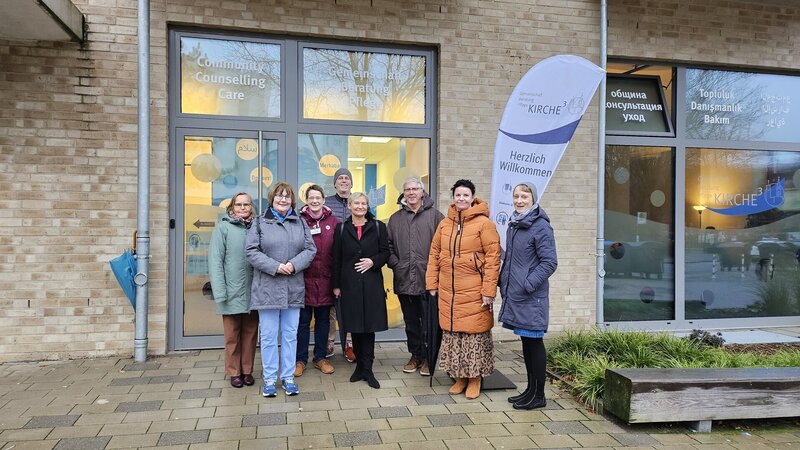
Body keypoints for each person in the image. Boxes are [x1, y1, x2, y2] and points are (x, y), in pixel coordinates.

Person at [426, 179, 501, 400]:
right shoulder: (444, 224)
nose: (461, 199)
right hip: (449, 291)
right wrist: (431, 283)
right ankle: (459, 377)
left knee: (473, 336)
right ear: (453, 197)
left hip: (475, 291)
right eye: (458, 195)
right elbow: (434, 253)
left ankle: (475, 379)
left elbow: (493, 259)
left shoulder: (484, 224)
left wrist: (489, 291)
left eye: (465, 195)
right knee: (454, 335)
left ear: (472, 197)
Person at [246, 182, 316, 398]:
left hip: (293, 288)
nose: (283, 200)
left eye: (287, 197)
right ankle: (269, 379)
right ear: (272, 199)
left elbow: (310, 249)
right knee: (267, 337)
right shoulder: (259, 223)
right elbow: (250, 250)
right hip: (267, 288)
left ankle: (287, 377)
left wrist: (293, 265)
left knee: (289, 335)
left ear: (292, 200)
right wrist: (276, 267)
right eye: (279, 196)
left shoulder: (300, 222)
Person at [498, 182, 558, 410]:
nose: (519, 200)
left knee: (535, 344)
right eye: (516, 196)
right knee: (526, 343)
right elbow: (513, 260)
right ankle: (530, 390)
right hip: (518, 297)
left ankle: (539, 396)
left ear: (533, 198)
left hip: (532, 297)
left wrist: (528, 284)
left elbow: (550, 262)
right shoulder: (515, 224)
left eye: (524, 196)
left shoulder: (540, 226)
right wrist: (503, 281)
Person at [332, 192, 390, 389]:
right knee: (355, 326)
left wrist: (373, 261)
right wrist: (336, 285)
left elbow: (386, 253)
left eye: (363, 203)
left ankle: (369, 369)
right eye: (355, 203)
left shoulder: (378, 226)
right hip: (349, 285)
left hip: (372, 284)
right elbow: (336, 259)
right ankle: (359, 367)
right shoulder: (341, 229)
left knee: (369, 328)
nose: (359, 206)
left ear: (367, 206)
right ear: (349, 206)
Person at [387, 177, 444, 376]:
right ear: (403, 193)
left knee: (430, 323)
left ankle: (429, 358)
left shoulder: (436, 217)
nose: (411, 193)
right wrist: (397, 264)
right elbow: (388, 247)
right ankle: (416, 355)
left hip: (428, 281)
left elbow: (444, 248)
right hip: (404, 279)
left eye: (414, 189)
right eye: (407, 189)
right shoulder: (395, 219)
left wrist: (434, 272)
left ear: (422, 192)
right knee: (411, 322)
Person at [208, 192, 259, 389]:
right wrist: (220, 292)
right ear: (232, 207)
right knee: (232, 336)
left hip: (254, 291)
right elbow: (215, 262)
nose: (243, 208)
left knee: (250, 334)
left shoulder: (257, 227)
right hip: (231, 291)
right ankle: (234, 372)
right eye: (239, 204)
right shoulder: (223, 228)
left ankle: (247, 370)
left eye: (246, 204)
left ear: (251, 207)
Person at [295, 184, 339, 377]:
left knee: (323, 321)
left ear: (323, 200)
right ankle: (300, 360)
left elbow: (339, 252)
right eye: (311, 198)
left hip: (326, 281)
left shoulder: (334, 222)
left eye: (318, 198)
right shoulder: (297, 221)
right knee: (303, 322)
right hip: (302, 281)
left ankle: (320, 357)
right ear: (306, 200)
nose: (314, 201)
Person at [325, 168, 356, 363]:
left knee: (350, 306)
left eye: (347, 178)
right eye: (340, 178)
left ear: (351, 183)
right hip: (330, 261)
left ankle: (350, 344)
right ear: (335, 184)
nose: (344, 181)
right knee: (331, 307)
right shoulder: (326, 203)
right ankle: (329, 343)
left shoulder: (359, 202)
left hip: (352, 264)